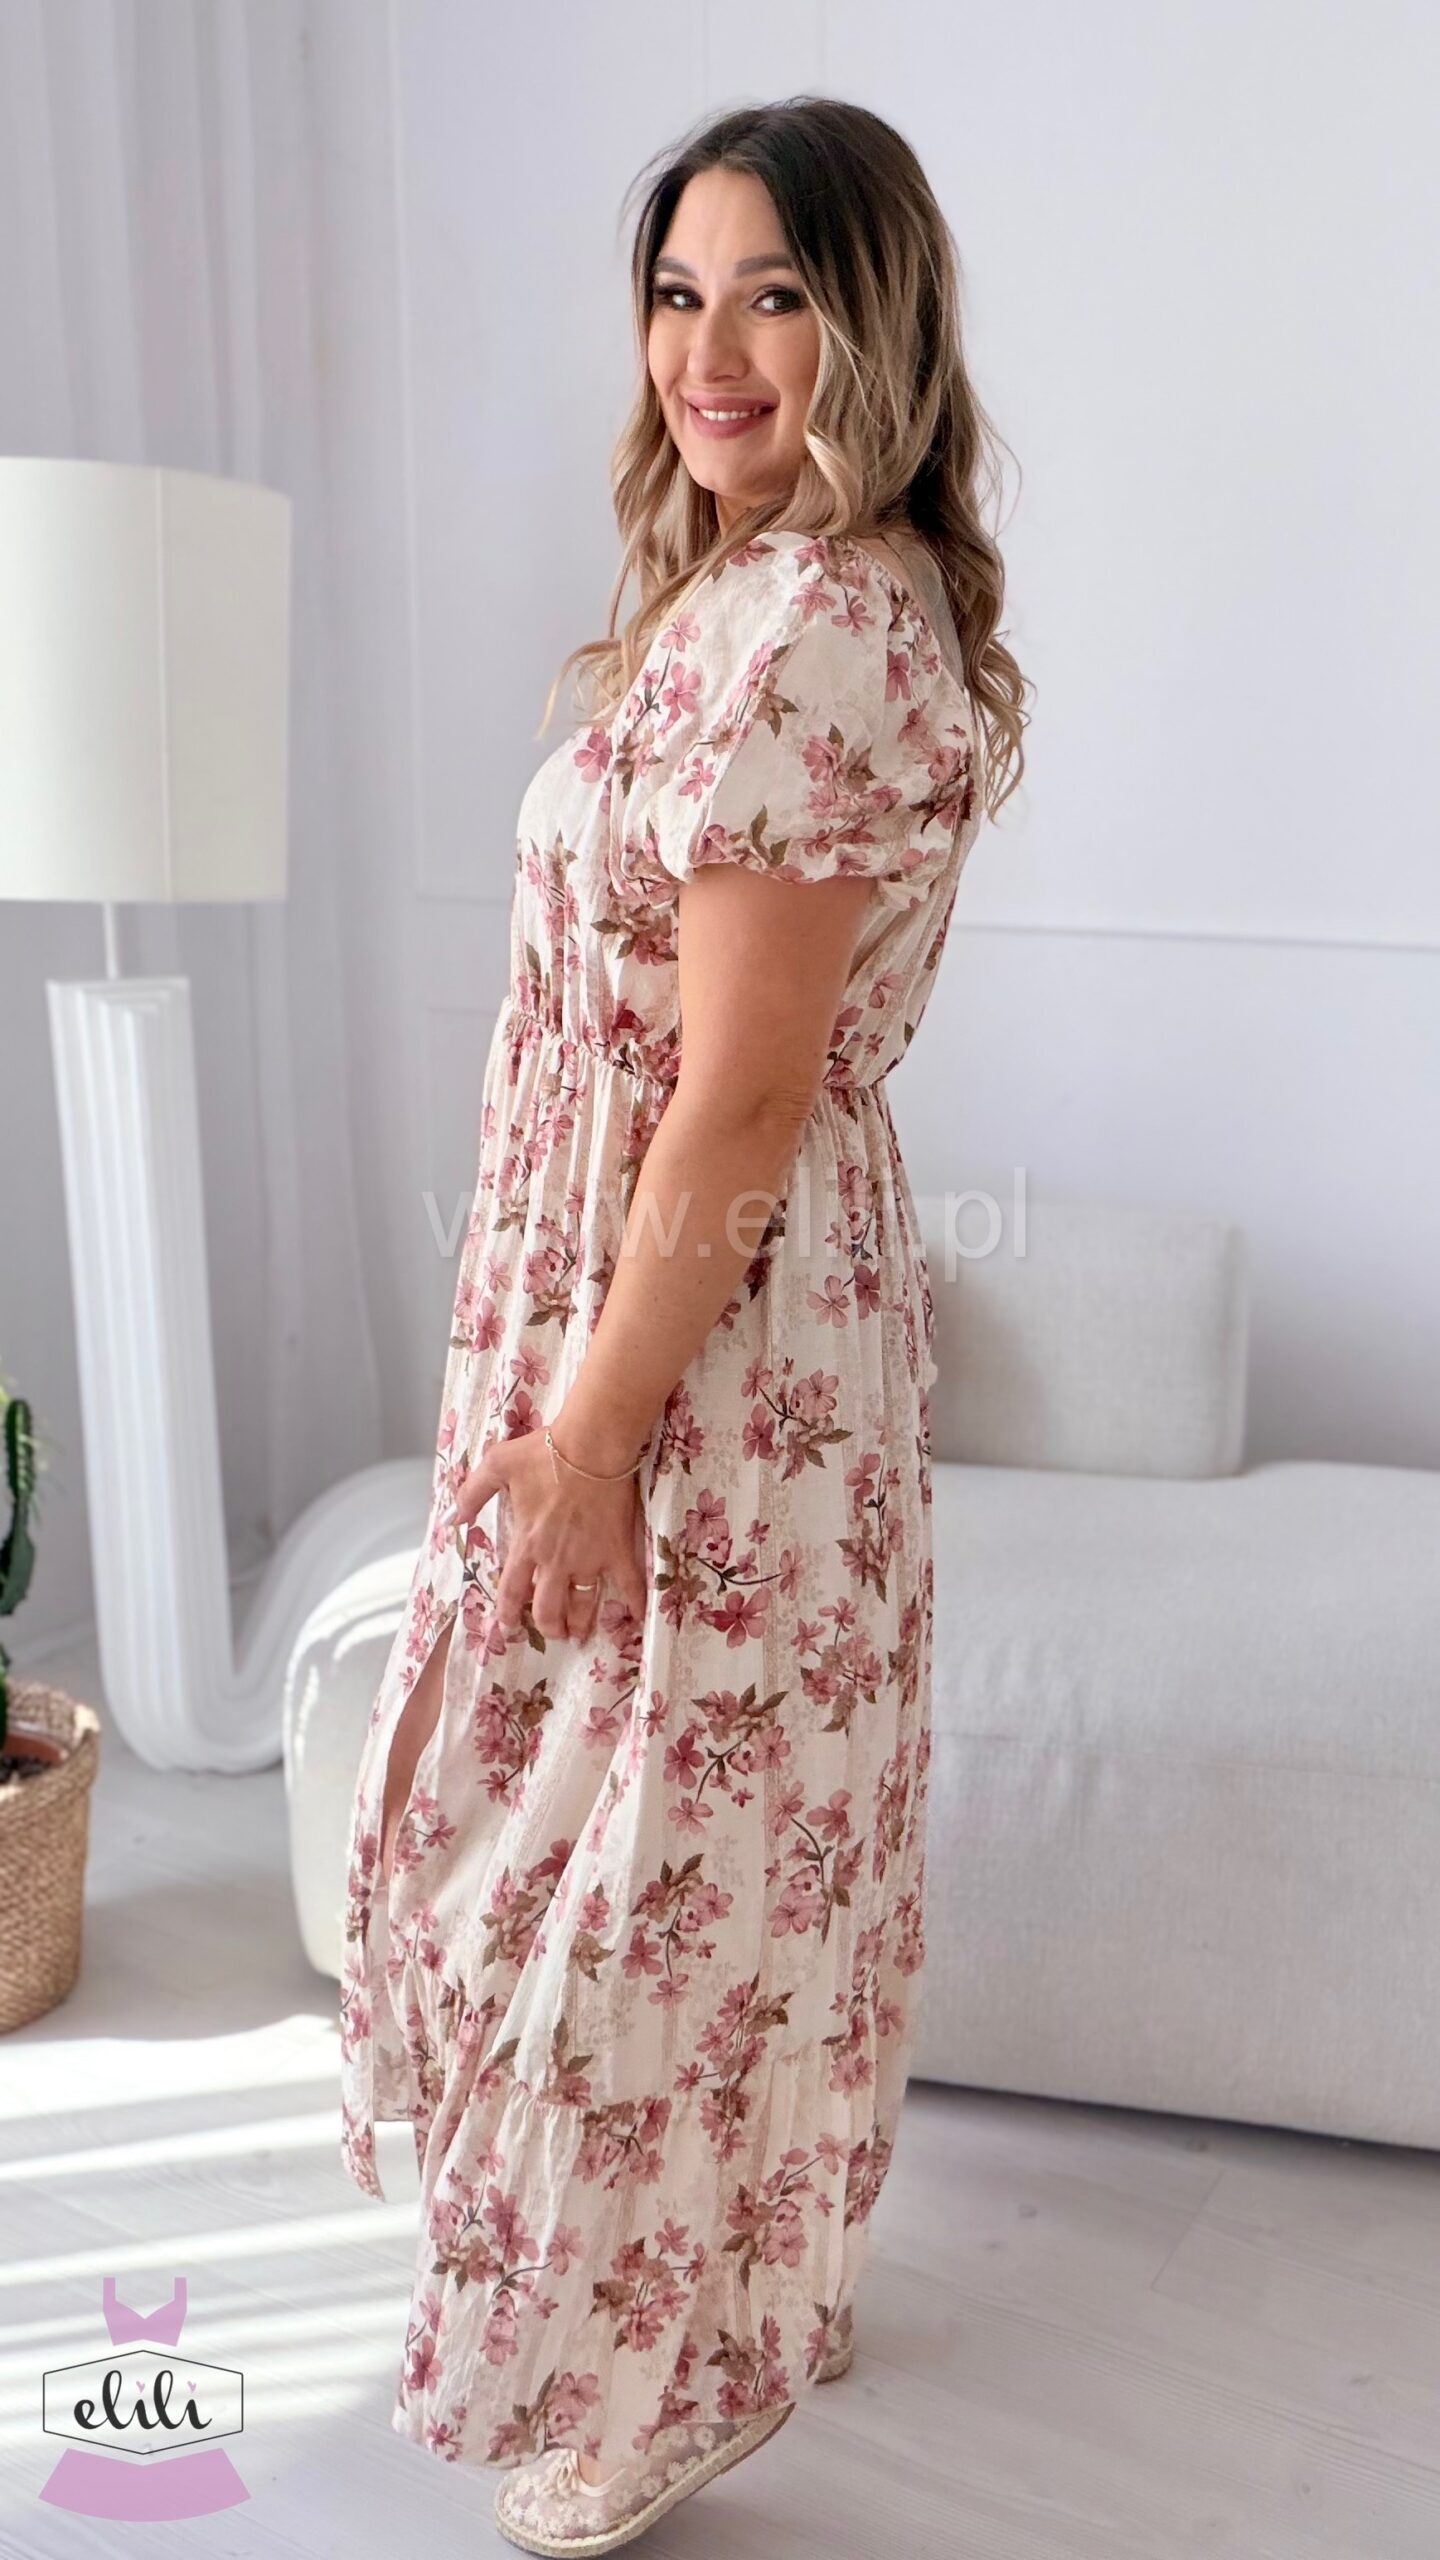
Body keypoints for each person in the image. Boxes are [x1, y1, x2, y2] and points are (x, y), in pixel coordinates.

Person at [337, 93, 1027, 2557]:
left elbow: (738, 1090)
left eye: (774, 292)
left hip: (705, 1322)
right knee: (690, 1819)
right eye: (676, 291)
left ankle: (662, 2365)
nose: (707, 347)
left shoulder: (819, 619)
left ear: (874, 323)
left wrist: (596, 1430)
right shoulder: (756, 593)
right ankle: (735, 2296)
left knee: (644, 1835)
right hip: (665, 1275)